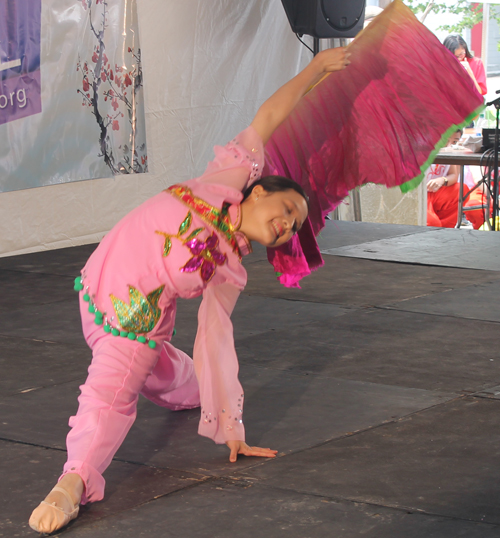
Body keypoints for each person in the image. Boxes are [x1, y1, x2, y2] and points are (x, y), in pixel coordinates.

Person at [28, 47, 350, 534]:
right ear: (260, 190)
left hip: (131, 326)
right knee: (178, 380)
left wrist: (231, 429)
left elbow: (217, 339)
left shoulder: (231, 269)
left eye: (294, 227)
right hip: (92, 285)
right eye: (287, 209)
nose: (287, 225)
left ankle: (72, 483)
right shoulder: (228, 177)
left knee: (112, 395)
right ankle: (199, 392)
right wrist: (316, 69)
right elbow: (268, 117)